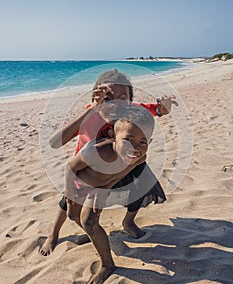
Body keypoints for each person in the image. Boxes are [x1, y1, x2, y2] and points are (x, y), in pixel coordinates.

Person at [39, 69, 177, 256]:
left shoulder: (130, 112)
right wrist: (93, 110)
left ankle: (128, 222)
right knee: (68, 204)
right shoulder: (91, 115)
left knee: (140, 187)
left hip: (121, 167)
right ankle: (53, 235)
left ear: (130, 100)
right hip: (88, 169)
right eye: (108, 97)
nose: (117, 103)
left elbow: (157, 110)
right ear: (96, 97)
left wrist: (164, 107)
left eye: (123, 97)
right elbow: (55, 143)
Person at [64, 104, 155, 284]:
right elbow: (70, 167)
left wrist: (105, 188)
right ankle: (95, 235)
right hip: (79, 183)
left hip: (99, 186)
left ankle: (107, 264)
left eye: (142, 142)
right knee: (72, 216)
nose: (135, 147)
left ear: (149, 141)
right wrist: (69, 191)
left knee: (89, 221)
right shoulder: (97, 151)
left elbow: (118, 174)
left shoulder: (140, 158)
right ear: (113, 137)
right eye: (128, 139)